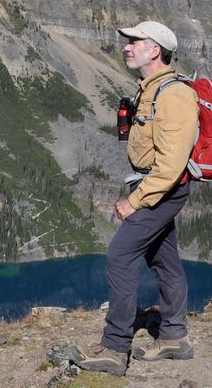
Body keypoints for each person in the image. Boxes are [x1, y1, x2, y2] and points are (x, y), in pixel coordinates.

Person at [75, 20, 197, 376]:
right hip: (153, 186)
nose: (126, 46)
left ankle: (115, 350)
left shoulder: (173, 94)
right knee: (164, 260)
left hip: (163, 190)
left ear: (155, 49)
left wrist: (136, 200)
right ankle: (175, 337)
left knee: (120, 254)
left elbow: (171, 164)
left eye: (134, 41)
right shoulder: (151, 88)